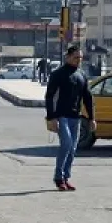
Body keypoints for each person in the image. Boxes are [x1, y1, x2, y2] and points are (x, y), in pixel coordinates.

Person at [44, 44, 95, 192]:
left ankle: (66, 177)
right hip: (61, 116)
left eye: (80, 58)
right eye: (75, 57)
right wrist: (51, 117)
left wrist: (92, 118)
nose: (78, 60)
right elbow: (49, 96)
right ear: (68, 57)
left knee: (72, 149)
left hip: (76, 117)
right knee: (66, 145)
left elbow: (88, 97)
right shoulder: (58, 74)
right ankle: (58, 177)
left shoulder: (81, 75)